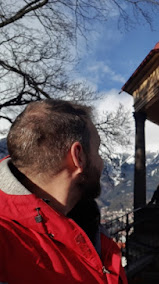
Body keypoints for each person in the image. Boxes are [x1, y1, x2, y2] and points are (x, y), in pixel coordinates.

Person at [0, 100, 127, 283]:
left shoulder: (93, 232)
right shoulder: (6, 244)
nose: (101, 162)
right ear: (79, 157)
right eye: (97, 151)